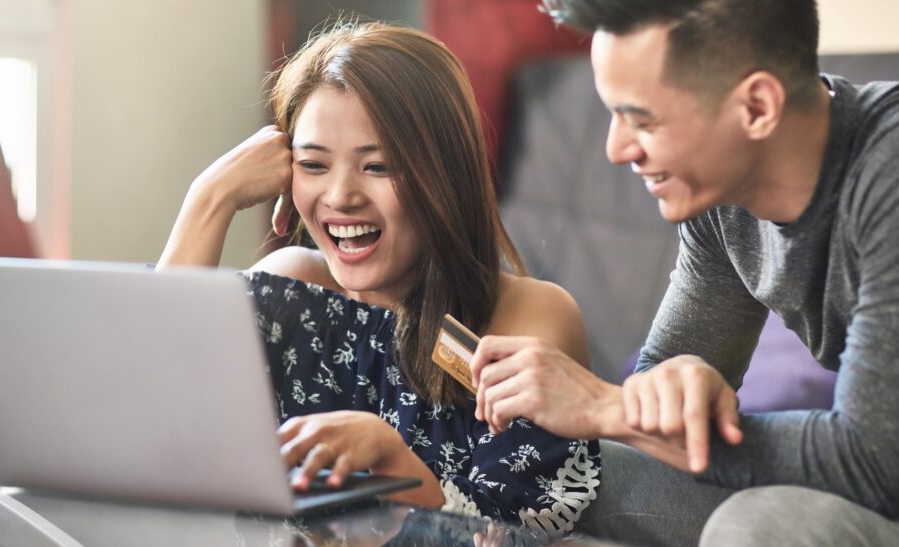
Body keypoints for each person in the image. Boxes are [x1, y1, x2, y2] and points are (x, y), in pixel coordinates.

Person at [471, 0, 899, 545]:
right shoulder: (725, 201)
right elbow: (653, 401)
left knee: (758, 528)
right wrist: (676, 388)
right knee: (561, 474)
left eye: (641, 119)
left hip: (898, 483)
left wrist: (602, 404)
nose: (616, 149)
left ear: (758, 107)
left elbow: (872, 463)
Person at [158, 21, 600, 536]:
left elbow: (518, 535)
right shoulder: (292, 291)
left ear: (445, 174)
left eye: (378, 166)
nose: (342, 196)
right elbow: (147, 416)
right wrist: (209, 200)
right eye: (313, 165)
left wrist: (393, 462)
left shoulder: (529, 320)